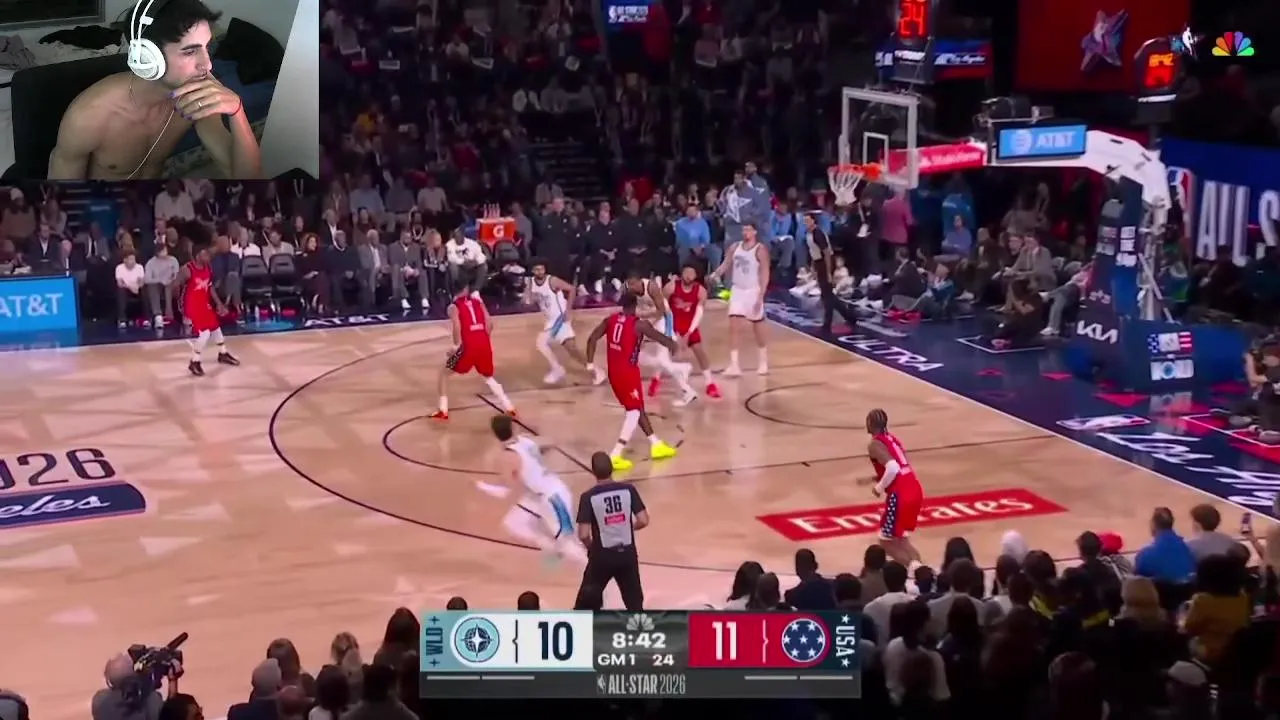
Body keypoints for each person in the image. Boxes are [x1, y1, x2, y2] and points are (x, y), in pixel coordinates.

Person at [49, 0, 263, 180]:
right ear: (146, 57)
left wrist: (237, 111)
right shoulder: (89, 115)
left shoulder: (195, 98)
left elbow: (249, 179)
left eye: (207, 47)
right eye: (190, 52)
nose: (207, 65)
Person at [585, 292, 679, 471]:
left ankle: (656, 443)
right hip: (628, 373)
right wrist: (672, 345)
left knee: (637, 406)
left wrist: (590, 364)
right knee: (634, 411)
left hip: (614, 372)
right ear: (636, 306)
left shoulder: (610, 320)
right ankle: (616, 454)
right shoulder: (639, 325)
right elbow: (659, 337)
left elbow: (592, 339)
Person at [478, 414, 585, 565]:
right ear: (513, 428)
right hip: (538, 494)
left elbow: (505, 492)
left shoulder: (508, 456)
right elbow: (545, 444)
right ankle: (552, 548)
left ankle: (595, 568)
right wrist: (551, 443)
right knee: (513, 523)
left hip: (553, 496)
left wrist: (480, 485)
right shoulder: (525, 440)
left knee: (567, 543)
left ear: (495, 434)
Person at [428, 270, 516, 420]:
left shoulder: (453, 307)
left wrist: (456, 346)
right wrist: (483, 339)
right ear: (466, 288)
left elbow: (457, 326)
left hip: (467, 347)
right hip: (484, 343)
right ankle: (509, 406)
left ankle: (443, 410)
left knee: (444, 373)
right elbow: (489, 324)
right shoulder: (478, 302)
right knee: (488, 376)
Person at [576, 451, 649, 610]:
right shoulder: (628, 490)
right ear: (612, 468)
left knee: (585, 603)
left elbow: (583, 534)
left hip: (602, 557)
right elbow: (643, 520)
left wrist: (590, 547)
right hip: (627, 554)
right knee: (635, 604)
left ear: (593, 471)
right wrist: (628, 528)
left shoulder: (588, 497)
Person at [859, 409, 924, 566]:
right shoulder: (892, 439)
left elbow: (893, 468)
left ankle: (915, 572)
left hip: (900, 495)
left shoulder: (874, 444)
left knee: (886, 543)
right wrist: (874, 479)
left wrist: (879, 488)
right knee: (902, 540)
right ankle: (922, 571)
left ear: (870, 423)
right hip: (913, 488)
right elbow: (900, 468)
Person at [624, 269, 697, 406]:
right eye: (629, 284)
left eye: (633, 284)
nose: (631, 287)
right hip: (649, 322)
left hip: (663, 321)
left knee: (662, 360)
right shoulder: (629, 291)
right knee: (639, 356)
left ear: (640, 281)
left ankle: (687, 390)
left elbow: (662, 311)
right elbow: (630, 312)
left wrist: (649, 326)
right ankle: (682, 369)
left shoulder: (651, 287)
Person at [524, 257, 599, 385]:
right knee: (571, 349)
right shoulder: (531, 283)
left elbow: (572, 289)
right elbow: (528, 302)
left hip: (560, 318)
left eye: (541, 269)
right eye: (536, 269)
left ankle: (559, 369)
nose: (540, 271)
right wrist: (528, 298)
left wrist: (568, 310)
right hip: (550, 320)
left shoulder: (552, 280)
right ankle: (595, 371)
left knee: (542, 343)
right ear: (532, 271)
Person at [708, 222, 770, 376]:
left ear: (755, 232)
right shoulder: (735, 247)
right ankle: (734, 365)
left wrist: (761, 296)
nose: (745, 232)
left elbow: (765, 273)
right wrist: (715, 274)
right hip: (737, 290)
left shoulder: (760, 249)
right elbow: (726, 264)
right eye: (744, 229)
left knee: (758, 328)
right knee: (734, 326)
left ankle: (763, 362)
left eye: (748, 229)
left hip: (753, 291)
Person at [177, 231, 239, 377]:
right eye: (205, 254)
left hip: (204, 304)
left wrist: (219, 304)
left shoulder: (208, 268)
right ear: (197, 256)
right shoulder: (187, 270)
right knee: (204, 333)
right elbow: (175, 286)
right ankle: (195, 361)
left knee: (216, 327)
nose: (208, 257)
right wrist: (180, 308)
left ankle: (223, 353)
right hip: (191, 307)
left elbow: (209, 287)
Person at [665, 262, 721, 398]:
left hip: (690, 325)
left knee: (699, 351)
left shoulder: (701, 291)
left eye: (691, 273)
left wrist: (688, 333)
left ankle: (709, 383)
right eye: (686, 272)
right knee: (664, 353)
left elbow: (699, 314)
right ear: (681, 273)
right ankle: (655, 380)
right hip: (672, 323)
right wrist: (673, 331)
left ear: (696, 275)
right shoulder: (671, 287)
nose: (688, 276)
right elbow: (664, 308)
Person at [803, 212, 859, 336]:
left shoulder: (818, 234)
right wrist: (813, 266)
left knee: (827, 296)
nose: (805, 222)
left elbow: (827, 253)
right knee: (828, 295)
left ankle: (827, 324)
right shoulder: (808, 233)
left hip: (825, 263)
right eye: (804, 220)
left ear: (814, 221)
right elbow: (813, 251)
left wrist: (828, 272)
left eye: (808, 220)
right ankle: (850, 317)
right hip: (819, 262)